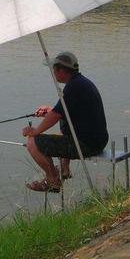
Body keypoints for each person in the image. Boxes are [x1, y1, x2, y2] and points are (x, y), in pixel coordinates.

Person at [21, 52, 108, 192]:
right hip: (96, 141)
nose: (53, 73)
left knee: (32, 142)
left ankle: (53, 181)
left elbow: (56, 115)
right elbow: (63, 111)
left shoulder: (73, 87)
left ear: (61, 70)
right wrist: (49, 111)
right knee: (60, 132)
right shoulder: (80, 82)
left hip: (86, 145)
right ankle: (63, 171)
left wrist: (35, 131)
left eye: (54, 70)